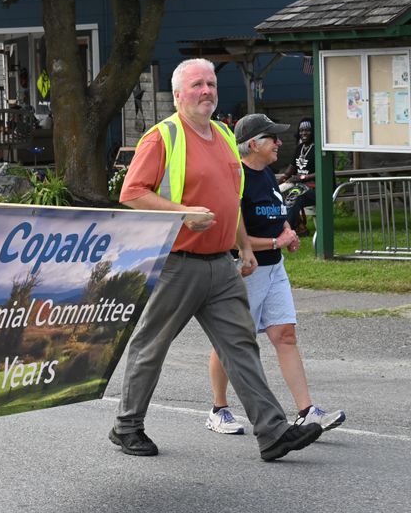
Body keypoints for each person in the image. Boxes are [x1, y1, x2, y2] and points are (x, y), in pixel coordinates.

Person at [112, 58, 325, 462]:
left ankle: (272, 432)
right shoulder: (162, 138)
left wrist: (243, 246)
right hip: (177, 261)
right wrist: (182, 212)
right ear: (178, 95)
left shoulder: (226, 135)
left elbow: (232, 199)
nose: (206, 90)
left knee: (241, 345)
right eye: (197, 85)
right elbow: (132, 193)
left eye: (211, 83)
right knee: (151, 345)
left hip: (221, 264)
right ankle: (127, 426)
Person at [205, 114, 346, 436]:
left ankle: (307, 411)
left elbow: (277, 212)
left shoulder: (268, 175)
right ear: (253, 144)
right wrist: (274, 241)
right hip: (245, 270)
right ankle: (218, 409)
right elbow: (229, 235)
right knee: (232, 341)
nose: (280, 143)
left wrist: (287, 232)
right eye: (273, 138)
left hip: (274, 268)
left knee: (285, 335)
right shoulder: (236, 178)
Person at [278, 118, 316, 234]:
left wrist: (301, 178)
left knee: (294, 196)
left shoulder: (318, 149)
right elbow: (291, 168)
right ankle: (299, 226)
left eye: (307, 130)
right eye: (301, 130)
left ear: (313, 131)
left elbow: (322, 172)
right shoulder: (299, 148)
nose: (303, 133)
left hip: (315, 188)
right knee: (277, 193)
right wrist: (282, 179)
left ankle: (286, 230)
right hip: (299, 185)